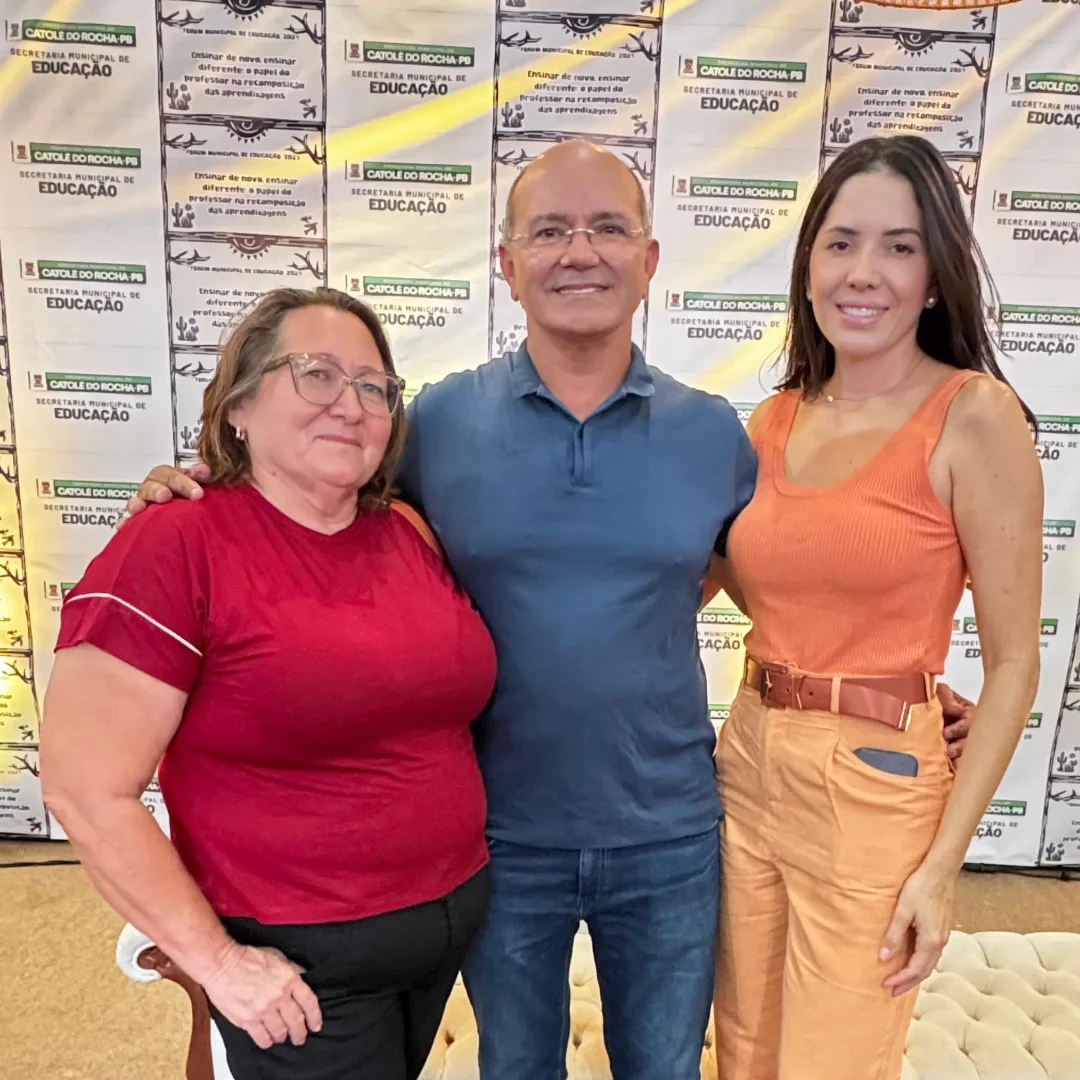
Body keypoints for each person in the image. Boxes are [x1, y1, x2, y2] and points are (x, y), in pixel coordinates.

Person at [120, 141, 972, 1079]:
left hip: (670, 834)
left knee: (665, 1069)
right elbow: (320, 501)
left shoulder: (715, 434)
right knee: (518, 1068)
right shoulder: (435, 424)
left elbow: (780, 571)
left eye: (608, 228)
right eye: (551, 231)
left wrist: (893, 684)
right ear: (508, 263)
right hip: (495, 834)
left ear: (649, 261)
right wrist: (207, 484)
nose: (580, 251)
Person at [40, 287, 496, 1080]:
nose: (350, 405)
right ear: (240, 405)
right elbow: (84, 789)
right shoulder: (175, 542)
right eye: (316, 374)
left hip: (442, 933)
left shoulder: (407, 531)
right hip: (299, 968)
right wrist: (218, 963)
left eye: (374, 387)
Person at [708, 135, 1043, 1080]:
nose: (865, 272)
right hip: (748, 757)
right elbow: (761, 582)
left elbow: (1016, 661)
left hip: (875, 782)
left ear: (935, 278)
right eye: (842, 243)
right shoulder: (774, 418)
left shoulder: (974, 416)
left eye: (900, 247)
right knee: (743, 1049)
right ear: (808, 263)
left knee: (834, 1061)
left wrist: (943, 868)